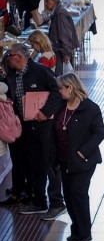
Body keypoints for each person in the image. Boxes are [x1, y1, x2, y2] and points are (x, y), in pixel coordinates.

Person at [6, 43, 65, 218]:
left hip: (44, 126)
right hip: (26, 127)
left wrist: (46, 112)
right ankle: (39, 200)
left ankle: (57, 201)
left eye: (10, 55)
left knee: (49, 161)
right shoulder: (12, 75)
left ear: (19, 57)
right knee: (35, 162)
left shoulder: (40, 71)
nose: (7, 59)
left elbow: (57, 90)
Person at [54, 73, 104, 241]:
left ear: (70, 87)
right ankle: (76, 229)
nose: (59, 91)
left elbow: (100, 133)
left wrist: (82, 153)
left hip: (83, 161)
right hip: (64, 159)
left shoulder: (89, 108)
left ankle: (85, 232)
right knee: (68, 195)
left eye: (61, 88)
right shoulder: (61, 106)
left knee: (78, 193)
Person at [44, 0, 79, 76]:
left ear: (54, 1)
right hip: (59, 50)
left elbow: (65, 35)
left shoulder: (60, 14)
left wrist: (66, 53)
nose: (45, 4)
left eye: (47, 1)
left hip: (60, 51)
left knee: (61, 76)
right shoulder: (58, 12)